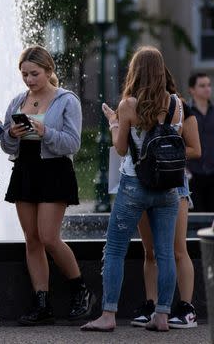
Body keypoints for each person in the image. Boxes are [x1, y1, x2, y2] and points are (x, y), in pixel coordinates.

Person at [82, 46, 182, 332]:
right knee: (165, 253)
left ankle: (108, 315)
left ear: (135, 71)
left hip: (134, 184)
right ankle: (162, 315)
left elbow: (121, 147)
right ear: (161, 71)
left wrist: (114, 122)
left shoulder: (128, 105)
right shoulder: (176, 103)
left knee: (114, 249)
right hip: (168, 188)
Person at [0, 46, 92, 325]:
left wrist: (45, 131)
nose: (29, 80)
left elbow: (72, 143)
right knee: (32, 239)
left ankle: (80, 289)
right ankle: (42, 303)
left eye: (34, 74)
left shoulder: (67, 100)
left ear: (49, 71)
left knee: (49, 236)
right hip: (25, 169)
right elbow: (6, 145)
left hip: (54, 171)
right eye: (25, 74)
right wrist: (11, 134)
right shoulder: (18, 101)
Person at [131, 68, 201, 329]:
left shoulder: (180, 107)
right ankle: (151, 303)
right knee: (149, 251)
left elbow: (196, 148)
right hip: (144, 185)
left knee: (177, 249)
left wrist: (164, 153)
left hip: (174, 186)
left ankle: (186, 307)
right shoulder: (135, 107)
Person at [186, 72, 214, 211]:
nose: (207, 88)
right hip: (193, 175)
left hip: (213, 172)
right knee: (195, 220)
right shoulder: (186, 113)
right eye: (202, 86)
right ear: (192, 90)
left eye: (209, 85)